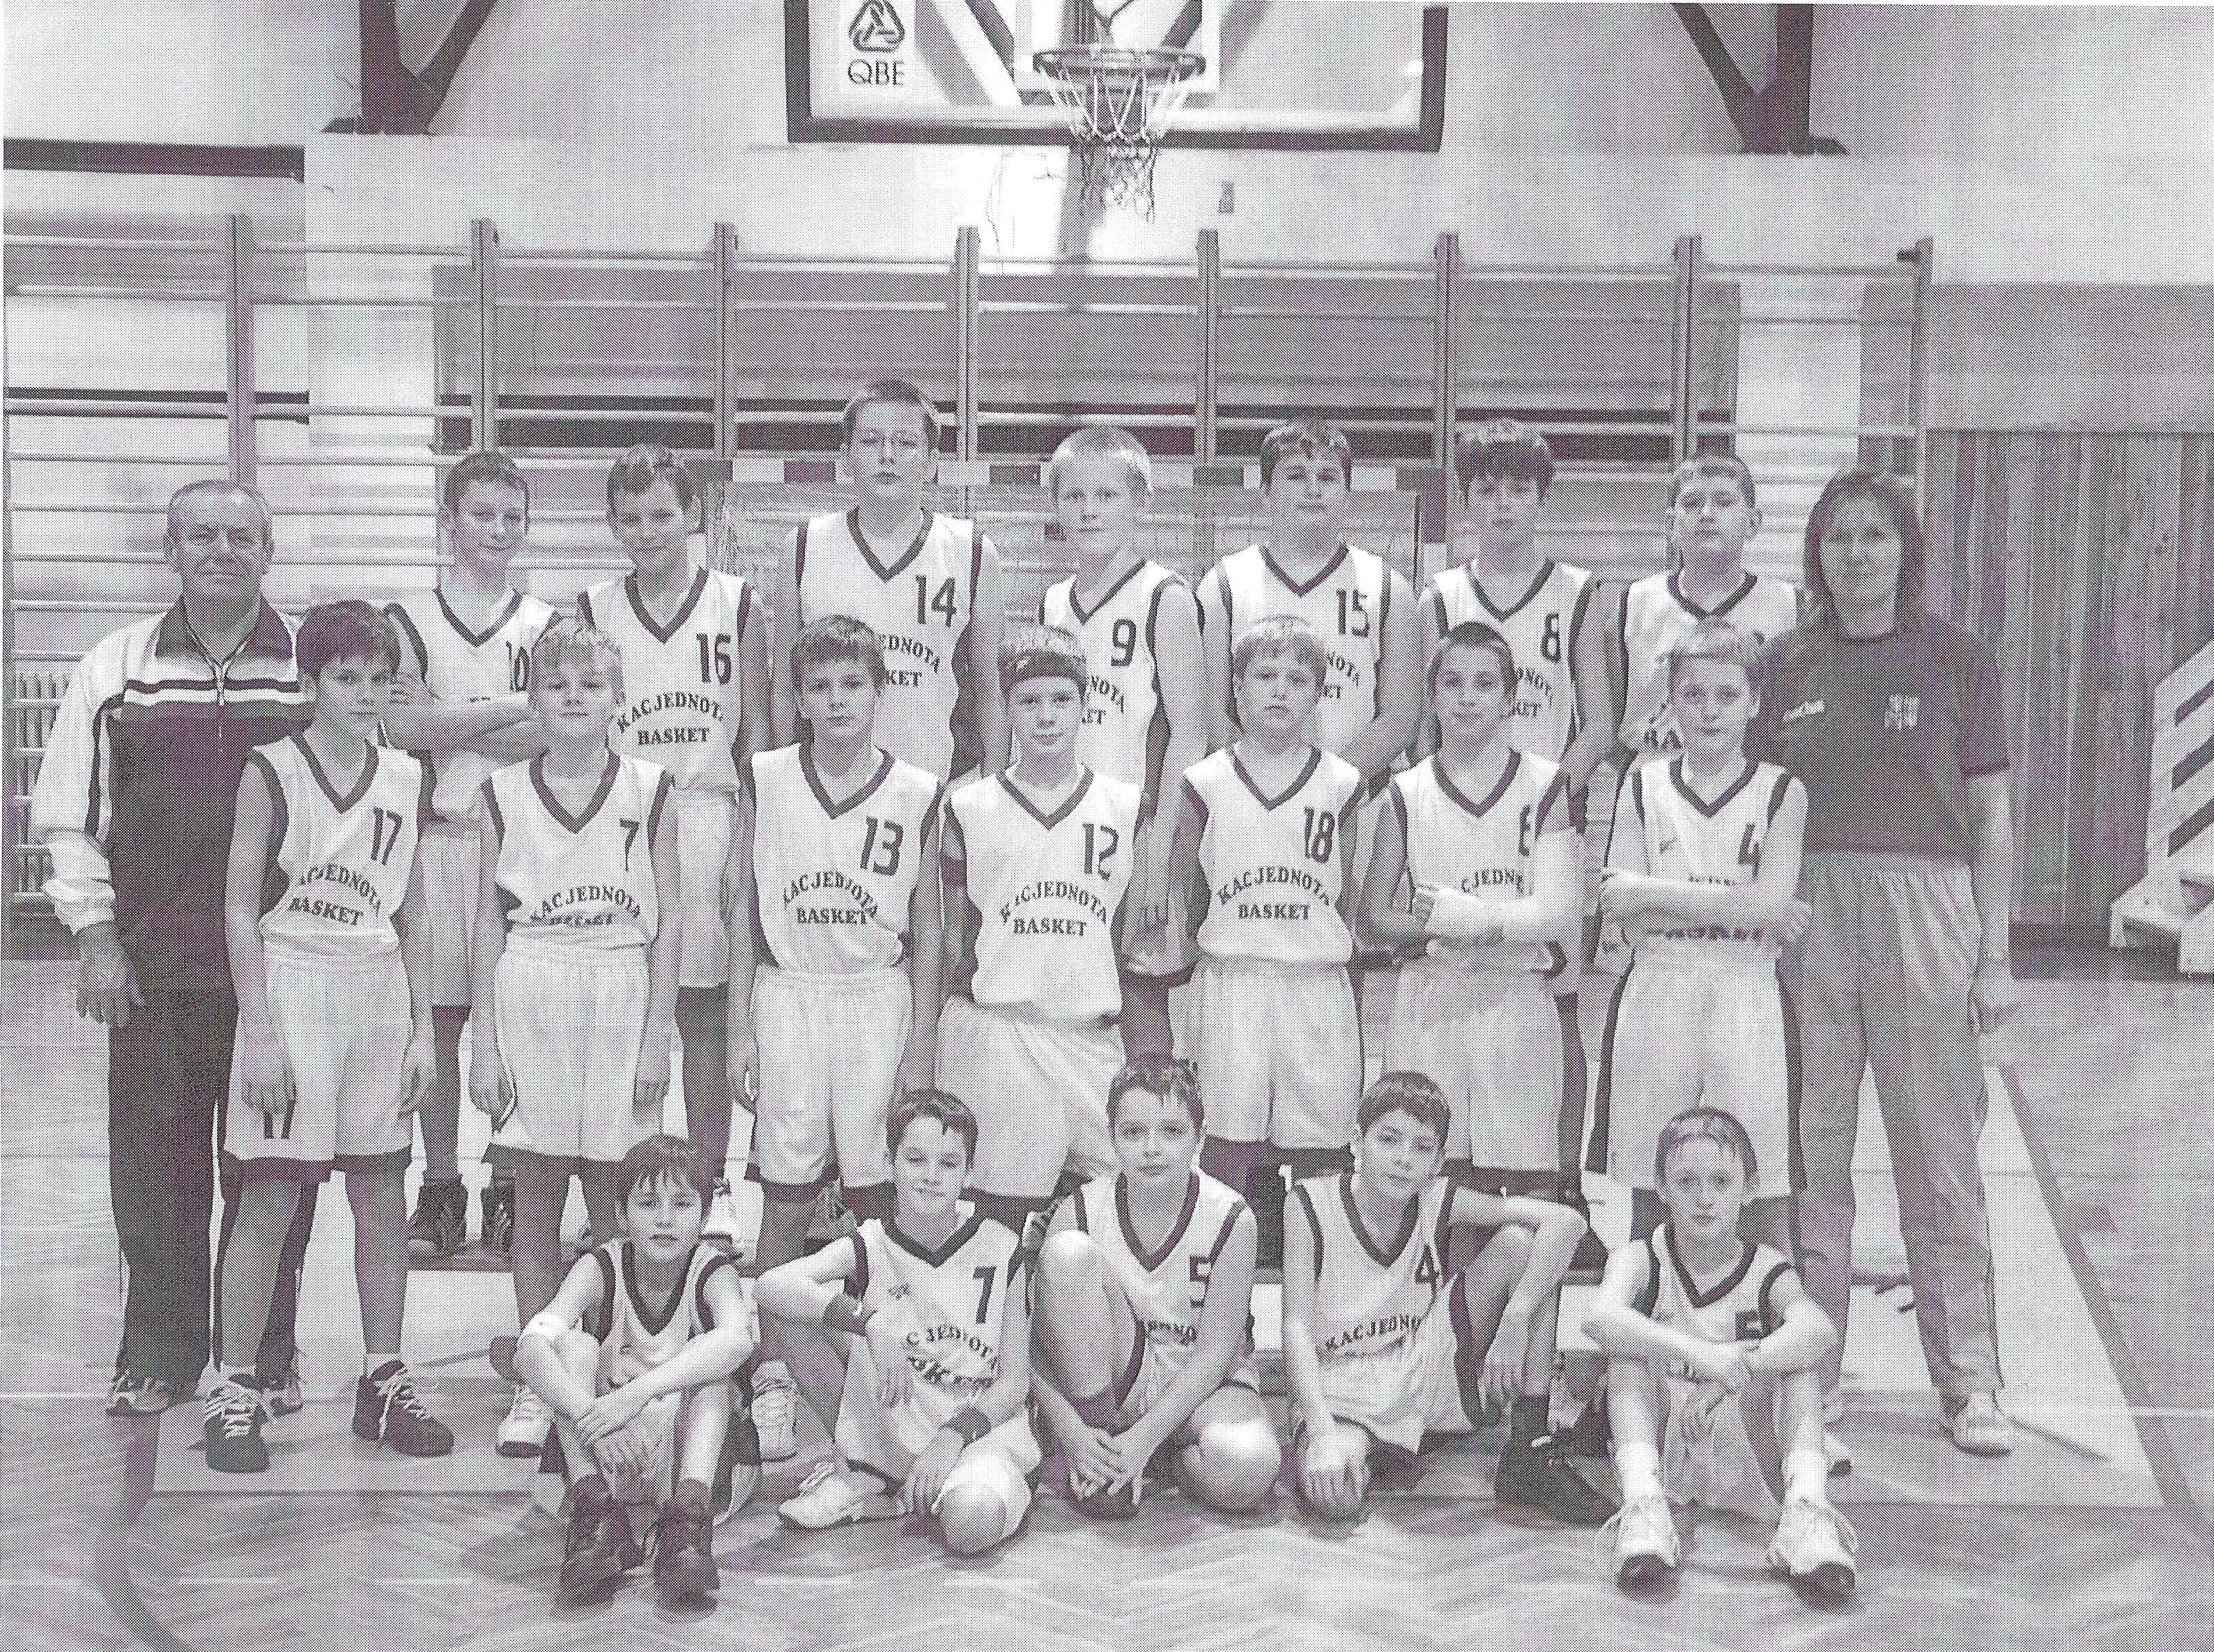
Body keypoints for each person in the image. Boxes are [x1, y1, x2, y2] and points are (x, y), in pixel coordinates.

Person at [30, 479, 318, 1417]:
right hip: (156, 970)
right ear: (170, 550)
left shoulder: (311, 666)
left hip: (287, 974)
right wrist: (96, 938)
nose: (222, 550)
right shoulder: (116, 668)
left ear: (269, 551)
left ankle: (264, 1354)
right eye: (202, 535)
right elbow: (70, 818)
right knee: (156, 1173)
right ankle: (157, 1352)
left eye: (241, 536)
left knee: (273, 1176)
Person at [1748, 468, 2021, 1458]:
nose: (1856, 553)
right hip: (1811, 907)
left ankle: (1970, 1378)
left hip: (1928, 908)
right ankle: (1812, 1371)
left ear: (1907, 550)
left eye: (1875, 535)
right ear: (1815, 553)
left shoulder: (1956, 658)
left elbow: (1991, 816)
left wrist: (1994, 956)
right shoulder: (1783, 663)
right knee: (1811, 1153)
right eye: (1838, 537)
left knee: (1939, 1155)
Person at [207, 603, 451, 1473]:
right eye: (347, 678)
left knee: (381, 1194)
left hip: (376, 985)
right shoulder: (271, 769)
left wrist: (424, 1030)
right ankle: (235, 1386)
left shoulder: (406, 775)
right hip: (294, 981)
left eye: (380, 678)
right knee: (269, 1197)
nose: (365, 693)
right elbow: (239, 907)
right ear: (310, 682)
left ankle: (382, 1378)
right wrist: (260, 1030)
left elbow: (415, 913)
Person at [728, 616, 944, 1457]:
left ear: (880, 691)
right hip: (791, 994)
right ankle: (770, 1377)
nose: (837, 699)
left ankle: (894, 1371)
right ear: (800, 699)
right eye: (820, 687)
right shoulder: (767, 775)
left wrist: (919, 1044)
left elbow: (932, 931)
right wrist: (742, 1025)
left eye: (853, 684)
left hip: (876, 997)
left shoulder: (916, 789)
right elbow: (742, 911)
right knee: (784, 1199)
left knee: (880, 1202)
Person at [470, 619, 682, 1462]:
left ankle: (610, 1360)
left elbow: (671, 922)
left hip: (621, 979)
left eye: (591, 685)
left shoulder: (651, 787)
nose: (573, 698)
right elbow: (485, 924)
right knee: (536, 1194)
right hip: (535, 978)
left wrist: (659, 1031)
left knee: (613, 1198)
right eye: (556, 685)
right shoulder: (500, 791)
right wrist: (484, 1045)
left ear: (619, 698)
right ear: (532, 699)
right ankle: (539, 1372)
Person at [578, 443, 770, 1244]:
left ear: (693, 514)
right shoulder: (592, 607)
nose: (647, 531)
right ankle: (633, 1191)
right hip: (623, 821)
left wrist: (747, 842)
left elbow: (759, 736)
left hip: (711, 812)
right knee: (631, 1012)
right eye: (630, 518)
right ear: (611, 525)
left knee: (706, 1017)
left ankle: (713, 1185)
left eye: (662, 514)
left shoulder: (737, 602)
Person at [1422, 421, 1610, 1226]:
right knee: (1465, 986)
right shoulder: (1440, 595)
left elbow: (1599, 720)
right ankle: (1465, 1173)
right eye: (1488, 489)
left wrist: (1545, 796)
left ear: (1542, 498)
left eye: (1519, 490)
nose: (1504, 504)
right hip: (1459, 812)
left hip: (1547, 816)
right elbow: (1429, 723)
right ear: (1466, 501)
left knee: (1558, 1000)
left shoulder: (1579, 591)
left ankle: (1562, 1180)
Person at [1280, 1072, 1613, 1525]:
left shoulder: (1439, 1200)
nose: (1402, 1160)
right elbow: (1295, 1328)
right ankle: (1381, 1452)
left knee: (1525, 1244)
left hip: (1418, 1391)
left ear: (1437, 1162)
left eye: (1420, 1148)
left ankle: (1525, 1442)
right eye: (1388, 1140)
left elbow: (1566, 1225)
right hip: (1340, 1396)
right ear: (1356, 1142)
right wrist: (1318, 1428)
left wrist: (1514, 1324)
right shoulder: (1310, 1202)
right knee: (1332, 1497)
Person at [1589, 619, 1809, 1256]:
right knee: (1649, 1189)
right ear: (1670, 700)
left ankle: (1768, 1318)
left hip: (1746, 991)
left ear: (1754, 702)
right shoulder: (1642, 784)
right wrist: (1748, 907)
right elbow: (1622, 909)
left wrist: (1655, 891)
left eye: (1726, 695)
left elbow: (1768, 904)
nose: (1709, 710)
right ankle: (1644, 1313)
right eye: (1693, 694)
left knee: (1761, 1191)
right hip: (1658, 988)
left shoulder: (1781, 790)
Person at [383, 449, 553, 1259]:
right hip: (437, 837)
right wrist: (510, 707)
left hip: (524, 844)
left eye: (512, 516)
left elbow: (556, 732)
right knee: (442, 1020)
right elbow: (403, 727)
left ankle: (509, 1183)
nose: (497, 529)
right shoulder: (407, 618)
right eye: (481, 514)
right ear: (449, 522)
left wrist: (451, 717)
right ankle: (442, 1187)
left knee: (512, 1020)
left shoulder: (547, 622)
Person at [1583, 1108, 1855, 1600]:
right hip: (1666, 1447)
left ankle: (1806, 1517)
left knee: (1797, 1372)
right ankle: (1644, 1516)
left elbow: (1818, 1328)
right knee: (1627, 1359)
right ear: (1661, 1189)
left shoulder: (1766, 1267)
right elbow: (1598, 1318)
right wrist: (1696, 1354)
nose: (1704, 1199)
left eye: (1720, 1182)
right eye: (1687, 1183)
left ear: (1748, 1190)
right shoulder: (1643, 1258)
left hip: (1746, 1449)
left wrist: (1744, 1364)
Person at [758, 1090, 1040, 1556]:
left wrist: (954, 1436)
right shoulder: (871, 1241)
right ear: (891, 1164)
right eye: (915, 1160)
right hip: (893, 1425)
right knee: (798, 1309)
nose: (930, 1176)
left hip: (974, 1432)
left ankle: (910, 1492)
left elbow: (1014, 1385)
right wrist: (861, 1319)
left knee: (971, 1523)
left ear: (968, 1173)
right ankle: (860, 1471)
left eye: (948, 1164)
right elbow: (772, 1287)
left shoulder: (1001, 1247)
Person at [1164, 616, 1364, 1265]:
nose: (1280, 690)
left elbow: (1346, 899)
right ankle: (1225, 1296)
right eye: (1264, 675)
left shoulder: (1342, 783)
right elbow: (1186, 892)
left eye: (1297, 679)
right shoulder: (1204, 782)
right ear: (1237, 688)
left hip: (1314, 982)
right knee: (1226, 1143)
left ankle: (1321, 1291)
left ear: (1319, 693)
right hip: (1234, 980)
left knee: (1322, 1147)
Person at [1360, 622, 1578, 1213]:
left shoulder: (1545, 784)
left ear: (1510, 698)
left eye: (1484, 684)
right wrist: (1446, 928)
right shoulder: (1406, 791)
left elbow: (1558, 913)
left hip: (1516, 999)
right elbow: (1373, 917)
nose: (1466, 697)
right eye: (1452, 683)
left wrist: (1474, 920)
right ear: (1432, 696)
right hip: (1432, 999)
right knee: (1436, 1186)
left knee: (1529, 1181)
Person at [937, 626, 1141, 1226]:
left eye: (1060, 699)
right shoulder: (968, 807)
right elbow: (952, 938)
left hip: (1088, 1036)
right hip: (1003, 1033)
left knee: (1121, 1210)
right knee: (998, 1219)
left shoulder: (1124, 805)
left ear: (1084, 704)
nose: (1046, 716)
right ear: (1006, 706)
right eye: (1029, 701)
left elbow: (1128, 937)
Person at [1031, 1055, 1281, 1518]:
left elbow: (1218, 1353)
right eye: (1134, 1132)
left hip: (1196, 1390)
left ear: (1199, 1140)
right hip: (1113, 1388)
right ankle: (1098, 1455)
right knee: (1067, 1252)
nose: (1151, 1148)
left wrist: (1141, 1443)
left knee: (1248, 1464)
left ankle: (1157, 1464)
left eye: (1171, 1132)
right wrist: (1072, 1435)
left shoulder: (1231, 1216)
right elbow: (1038, 1355)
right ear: (1112, 1139)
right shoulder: (1080, 1209)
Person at [515, 1134, 757, 1607]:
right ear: (624, 1216)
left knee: (714, 1372)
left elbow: (739, 1338)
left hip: (684, 1455)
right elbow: (533, 1340)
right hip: (607, 1449)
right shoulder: (600, 1265)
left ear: (704, 1217)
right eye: (648, 1204)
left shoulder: (712, 1270)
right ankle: (598, 1515)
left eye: (681, 1204)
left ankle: (687, 1527)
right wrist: (584, 1409)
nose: (665, 1218)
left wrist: (637, 1392)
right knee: (571, 1347)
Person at [1037, 427, 1210, 1057]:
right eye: (1075, 496)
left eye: (1106, 495)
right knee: (1070, 994)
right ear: (1056, 506)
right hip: (1066, 822)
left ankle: (1152, 1118)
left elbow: (1191, 731)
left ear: (1141, 502)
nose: (1089, 510)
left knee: (1139, 993)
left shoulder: (1164, 596)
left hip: (1139, 827)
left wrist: (1159, 849)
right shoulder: (1054, 602)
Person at [1196, 418, 1422, 879]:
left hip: (1355, 806)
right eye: (1296, 476)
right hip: (1250, 803)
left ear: (1348, 493)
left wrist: (1336, 788)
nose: (1312, 491)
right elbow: (1211, 709)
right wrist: (1262, 784)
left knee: (1356, 925)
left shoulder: (1386, 585)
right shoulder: (1224, 583)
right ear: (1265, 492)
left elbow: (1401, 715)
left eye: (1327, 477)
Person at [772, 377, 1008, 780]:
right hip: (833, 774)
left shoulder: (969, 548)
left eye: (904, 443)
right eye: (872, 442)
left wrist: (978, 781)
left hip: (928, 777)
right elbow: (783, 680)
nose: (886, 458)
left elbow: (987, 686)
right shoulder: (807, 542)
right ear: (846, 458)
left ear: (932, 461)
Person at [1613, 453, 1802, 764]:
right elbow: (1611, 726)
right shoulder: (1634, 601)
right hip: (1653, 780)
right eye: (1692, 504)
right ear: (1671, 523)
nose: (1707, 515)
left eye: (1723, 503)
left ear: (1753, 522)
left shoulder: (1787, 604)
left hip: (1751, 783)